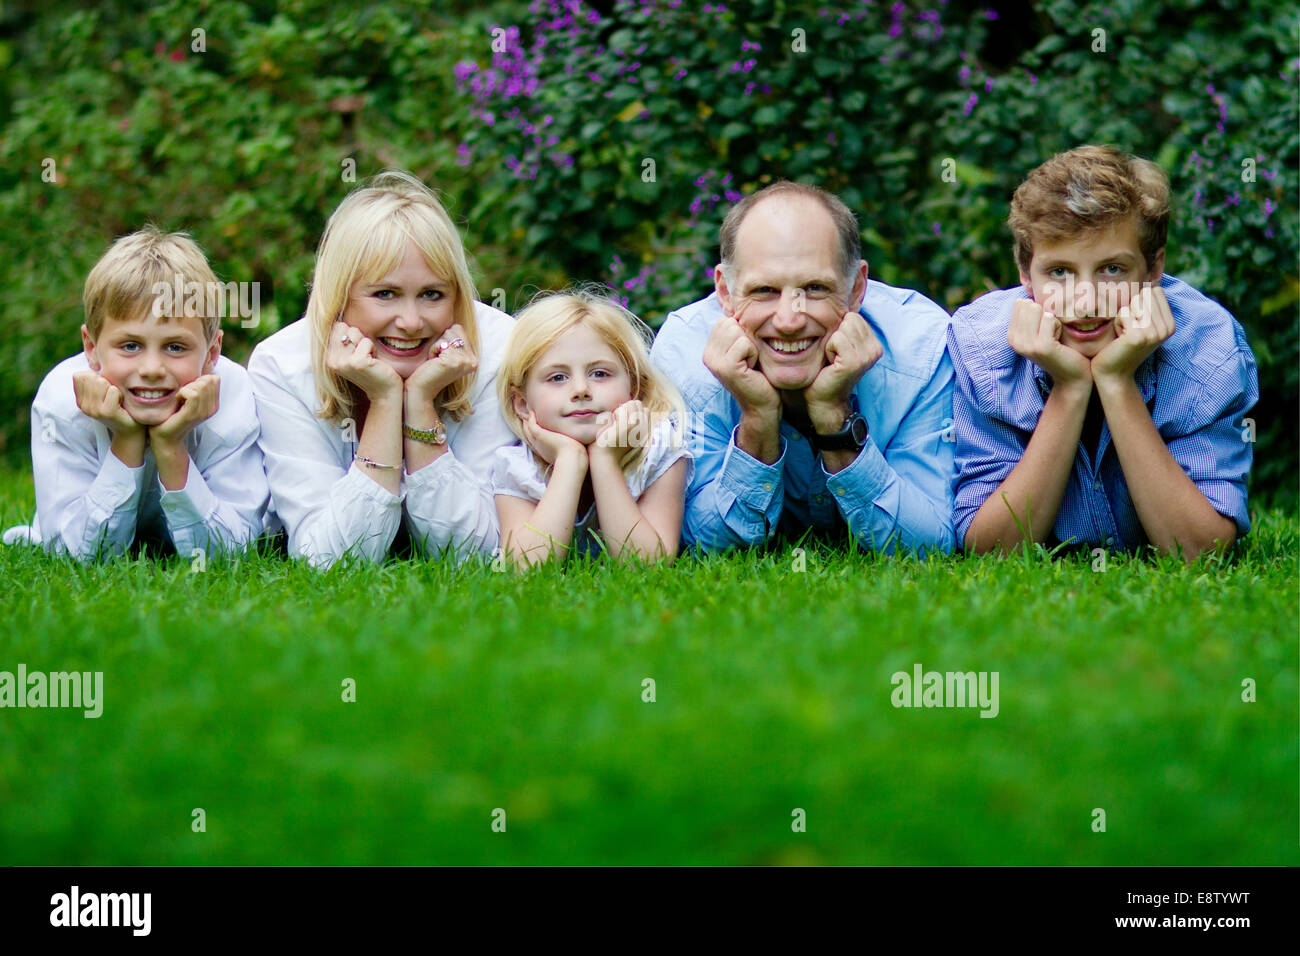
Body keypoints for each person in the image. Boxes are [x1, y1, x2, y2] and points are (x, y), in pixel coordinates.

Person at [948, 145, 1258, 560]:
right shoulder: (980, 347)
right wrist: (1069, 388)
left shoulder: (1207, 346)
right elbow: (991, 551)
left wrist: (1116, 381)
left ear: (1153, 270)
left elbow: (1203, 553)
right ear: (1025, 273)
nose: (1086, 302)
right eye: (1059, 272)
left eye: (1112, 269)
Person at [649, 181, 955, 554]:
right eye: (764, 291)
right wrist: (757, 419)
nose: (789, 320)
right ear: (725, 293)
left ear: (857, 288)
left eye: (814, 288)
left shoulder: (919, 345)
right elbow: (701, 544)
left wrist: (834, 418)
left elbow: (930, 543)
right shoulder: (684, 354)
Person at [247, 170, 515, 568]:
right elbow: (330, 561)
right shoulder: (282, 367)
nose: (410, 321)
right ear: (339, 296)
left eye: (432, 294)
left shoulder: (500, 349)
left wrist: (421, 401)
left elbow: (476, 555)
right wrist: (385, 399)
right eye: (385, 294)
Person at [2, 226, 267, 560]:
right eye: (130, 346)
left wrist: (171, 446)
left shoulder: (232, 395)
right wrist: (126, 439)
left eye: (175, 346)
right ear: (91, 348)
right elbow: (74, 555)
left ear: (212, 354)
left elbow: (232, 550)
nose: (152, 368)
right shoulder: (61, 400)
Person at [492, 291, 691, 565]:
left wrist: (605, 460)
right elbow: (526, 569)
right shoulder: (518, 466)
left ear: (634, 387)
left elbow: (648, 565)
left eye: (600, 373)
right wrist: (569, 461)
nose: (581, 390)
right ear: (523, 403)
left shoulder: (658, 449)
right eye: (558, 377)